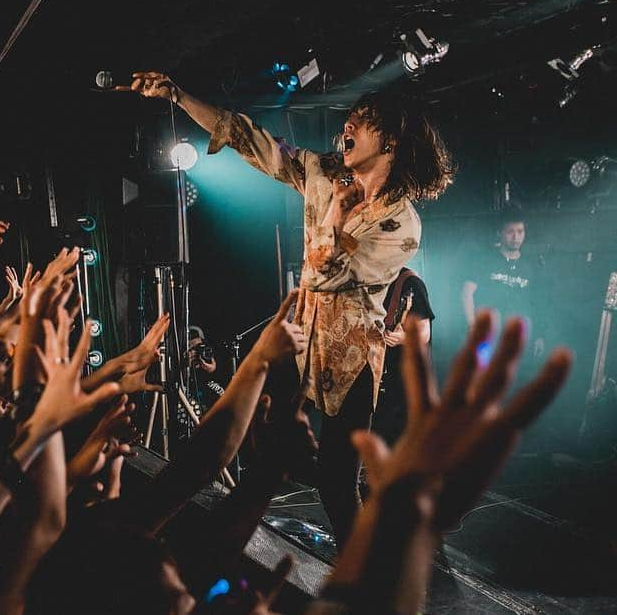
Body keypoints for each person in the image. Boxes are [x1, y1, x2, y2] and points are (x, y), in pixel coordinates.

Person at [118, 72, 455, 547]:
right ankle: (210, 554)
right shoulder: (323, 174)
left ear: (392, 143)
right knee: (266, 462)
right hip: (300, 340)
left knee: (337, 484)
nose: (347, 128)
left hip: (353, 360)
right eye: (350, 119)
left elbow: (324, 273)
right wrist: (179, 94)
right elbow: (247, 138)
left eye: (363, 121)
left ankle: (368, 585)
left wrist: (336, 212)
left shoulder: (402, 225)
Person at [462, 212, 546, 359]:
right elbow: (466, 293)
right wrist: (472, 326)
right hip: (488, 337)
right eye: (510, 232)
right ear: (500, 233)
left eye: (520, 231)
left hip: (519, 339)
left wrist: (539, 336)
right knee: (487, 378)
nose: (516, 237)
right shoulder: (485, 260)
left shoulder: (532, 265)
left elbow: (538, 303)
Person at [371, 267, 435, 445]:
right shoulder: (369, 279)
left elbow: (424, 333)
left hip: (402, 379)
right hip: (375, 377)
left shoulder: (409, 283)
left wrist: (403, 338)